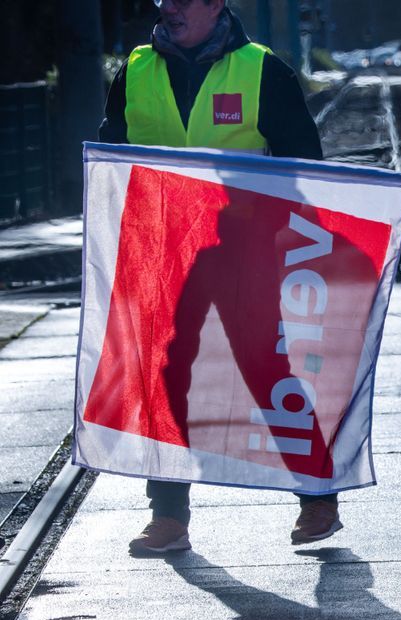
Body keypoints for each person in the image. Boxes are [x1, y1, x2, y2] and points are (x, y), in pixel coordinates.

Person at [98, 0, 338, 555]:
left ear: (215, 4)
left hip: (241, 252)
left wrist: (267, 225)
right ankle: (168, 515)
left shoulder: (261, 69)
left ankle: (318, 496)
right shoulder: (134, 70)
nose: (170, 8)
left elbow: (303, 159)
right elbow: (110, 156)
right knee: (165, 372)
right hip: (161, 249)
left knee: (263, 365)